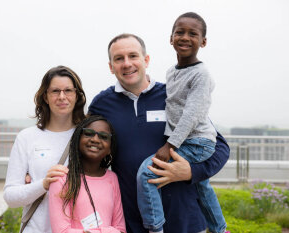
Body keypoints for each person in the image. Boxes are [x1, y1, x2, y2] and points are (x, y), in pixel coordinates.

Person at [88, 33, 230, 233]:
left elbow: (220, 147)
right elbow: (84, 147)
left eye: (133, 56)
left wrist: (192, 172)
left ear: (146, 60)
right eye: (119, 59)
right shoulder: (102, 104)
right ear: (111, 66)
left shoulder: (173, 94)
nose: (127, 63)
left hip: (186, 221)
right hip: (132, 222)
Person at [136, 12, 227, 233]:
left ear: (203, 42)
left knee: (146, 173)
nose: (185, 37)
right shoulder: (171, 72)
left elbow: (191, 115)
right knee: (202, 185)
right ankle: (220, 229)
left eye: (192, 34)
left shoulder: (201, 74)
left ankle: (155, 228)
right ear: (171, 38)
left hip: (197, 142)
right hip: (189, 141)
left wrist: (170, 145)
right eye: (180, 32)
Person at [3, 65, 86, 233]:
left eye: (68, 90)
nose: (62, 97)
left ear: (77, 95)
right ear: (45, 97)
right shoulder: (27, 137)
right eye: (55, 91)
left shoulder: (88, 136)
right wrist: (43, 184)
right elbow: (10, 197)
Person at [49, 115, 126, 233]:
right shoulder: (61, 179)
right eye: (89, 133)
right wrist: (107, 231)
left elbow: (121, 229)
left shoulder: (112, 178)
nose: (95, 139)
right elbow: (61, 231)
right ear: (78, 139)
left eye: (104, 136)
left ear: (110, 148)